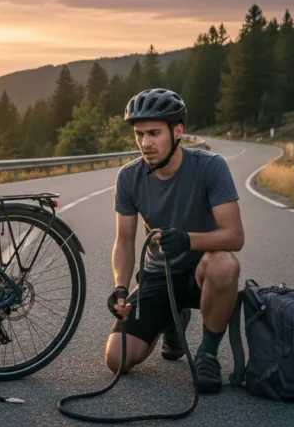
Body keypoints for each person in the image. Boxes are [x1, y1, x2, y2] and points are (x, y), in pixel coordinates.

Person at [104, 88, 244, 394]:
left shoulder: (210, 167)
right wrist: (121, 288)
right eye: (139, 135)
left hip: (202, 275)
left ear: (177, 131)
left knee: (224, 264)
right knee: (117, 359)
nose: (145, 143)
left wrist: (187, 240)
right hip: (158, 276)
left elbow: (235, 236)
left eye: (154, 133)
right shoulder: (129, 177)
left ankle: (207, 352)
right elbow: (124, 240)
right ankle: (174, 318)